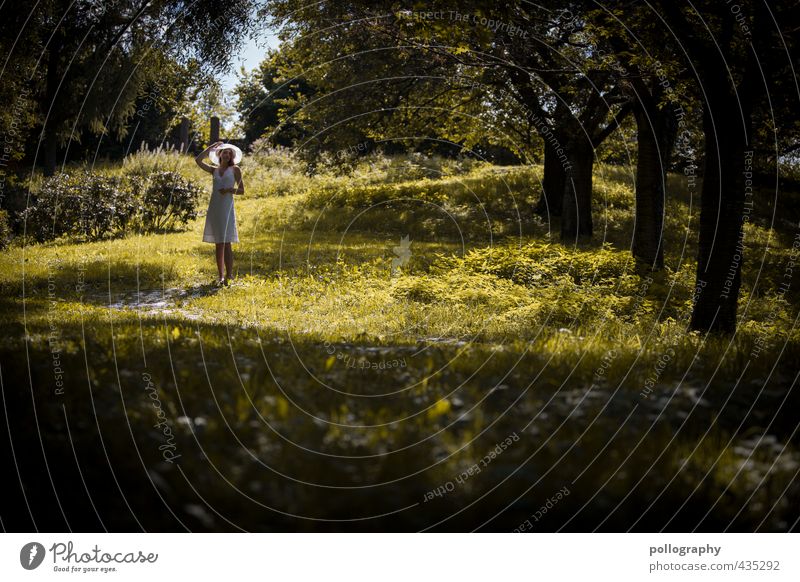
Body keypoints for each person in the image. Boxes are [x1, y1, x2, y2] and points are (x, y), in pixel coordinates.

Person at [195, 141, 245, 285]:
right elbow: (198, 160)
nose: (227, 154)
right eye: (224, 152)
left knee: (227, 242)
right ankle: (220, 276)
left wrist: (229, 190)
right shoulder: (214, 170)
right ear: (219, 154)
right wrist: (210, 148)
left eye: (229, 153)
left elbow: (242, 191)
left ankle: (229, 275)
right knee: (218, 243)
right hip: (215, 207)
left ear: (231, 156)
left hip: (227, 207)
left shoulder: (235, 170)